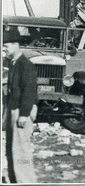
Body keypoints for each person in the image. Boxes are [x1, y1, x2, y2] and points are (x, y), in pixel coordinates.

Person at [3, 28, 38, 183]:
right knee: (11, 148)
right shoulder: (13, 63)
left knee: (21, 150)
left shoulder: (26, 65)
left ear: (16, 45)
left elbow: (29, 91)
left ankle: (26, 181)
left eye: (6, 45)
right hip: (13, 110)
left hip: (21, 112)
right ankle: (14, 180)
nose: (4, 48)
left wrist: (24, 114)